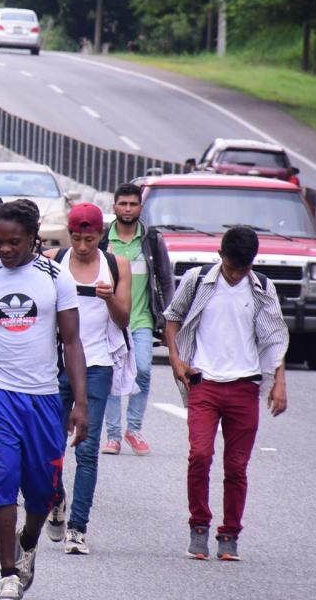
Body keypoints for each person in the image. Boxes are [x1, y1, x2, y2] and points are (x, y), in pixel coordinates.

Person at [0, 200, 88, 600]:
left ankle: (27, 540)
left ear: (33, 237)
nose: (5, 250)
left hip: (44, 398)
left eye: (14, 242)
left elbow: (72, 341)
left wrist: (80, 402)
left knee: (44, 492)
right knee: (1, 485)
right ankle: (8, 573)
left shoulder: (54, 277)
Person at [164, 226, 288, 562]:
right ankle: (199, 526)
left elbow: (275, 337)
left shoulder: (262, 287)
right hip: (204, 382)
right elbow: (172, 319)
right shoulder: (198, 279)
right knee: (200, 455)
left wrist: (279, 382)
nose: (235, 275)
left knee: (236, 466)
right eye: (231, 268)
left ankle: (230, 533)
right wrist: (177, 361)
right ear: (220, 256)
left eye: (242, 269)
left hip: (245, 387)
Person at [41, 204, 131, 555]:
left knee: (88, 449)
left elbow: (123, 320)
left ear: (100, 234)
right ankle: (57, 500)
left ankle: (78, 529)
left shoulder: (115, 265)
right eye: (76, 238)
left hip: (97, 365)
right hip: (54, 366)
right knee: (48, 447)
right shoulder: (52, 261)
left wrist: (109, 300)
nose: (81, 246)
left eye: (89, 239)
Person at [101, 182, 174, 456]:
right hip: (110, 320)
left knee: (142, 369)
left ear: (140, 207)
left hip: (142, 320)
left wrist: (168, 319)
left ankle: (134, 429)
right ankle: (113, 436)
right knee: (110, 376)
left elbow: (166, 281)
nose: (128, 209)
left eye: (133, 204)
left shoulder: (151, 240)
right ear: (114, 206)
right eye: (123, 204)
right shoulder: (102, 239)